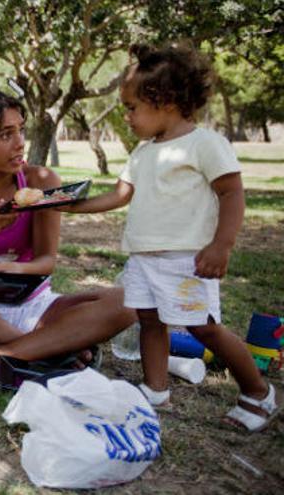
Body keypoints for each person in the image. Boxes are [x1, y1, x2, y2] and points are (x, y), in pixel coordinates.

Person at [61, 42, 280, 431]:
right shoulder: (144, 152)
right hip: (144, 257)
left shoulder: (205, 144)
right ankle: (154, 391)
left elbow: (231, 193)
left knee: (203, 327)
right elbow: (119, 195)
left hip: (186, 258)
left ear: (164, 101)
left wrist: (221, 245)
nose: (126, 117)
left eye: (131, 107)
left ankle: (258, 392)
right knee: (149, 322)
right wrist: (67, 206)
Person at [0, 89, 135, 367]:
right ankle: (49, 350)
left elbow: (46, 261)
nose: (20, 143)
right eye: (6, 135)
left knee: (130, 300)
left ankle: (4, 352)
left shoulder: (41, 181)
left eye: (21, 130)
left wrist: (17, 269)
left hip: (33, 303)